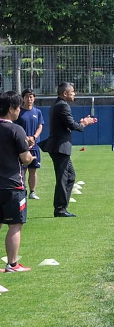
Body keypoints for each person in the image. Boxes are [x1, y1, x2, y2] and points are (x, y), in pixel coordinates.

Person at [45, 82, 95, 218]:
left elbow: (68, 123)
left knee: (70, 176)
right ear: (65, 93)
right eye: (72, 92)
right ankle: (60, 209)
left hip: (60, 147)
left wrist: (81, 123)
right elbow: (72, 125)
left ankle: (62, 207)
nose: (74, 94)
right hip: (60, 148)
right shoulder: (62, 105)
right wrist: (83, 124)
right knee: (63, 178)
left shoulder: (59, 104)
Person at [2, 91, 36, 272]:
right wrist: (29, 153)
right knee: (15, 225)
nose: (19, 111)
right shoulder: (16, 129)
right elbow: (25, 158)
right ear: (11, 109)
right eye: (17, 107)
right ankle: (13, 264)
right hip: (13, 185)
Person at [17, 90, 42, 200]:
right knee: (22, 170)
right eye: (27, 96)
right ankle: (22, 191)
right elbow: (16, 127)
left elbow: (40, 126)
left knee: (33, 169)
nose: (29, 99)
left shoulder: (37, 112)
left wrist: (34, 137)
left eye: (31, 97)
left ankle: (32, 192)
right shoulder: (19, 111)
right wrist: (26, 138)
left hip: (34, 146)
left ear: (34, 98)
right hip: (22, 146)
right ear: (23, 98)